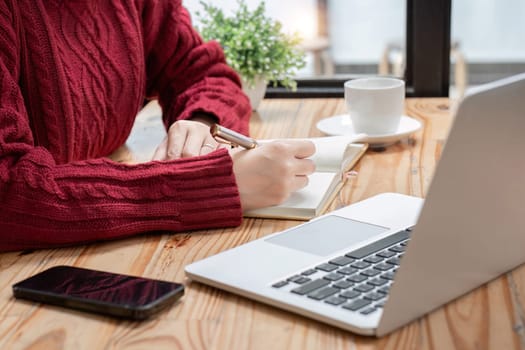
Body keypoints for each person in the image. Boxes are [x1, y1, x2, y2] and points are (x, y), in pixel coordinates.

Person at [0, 0, 315, 252]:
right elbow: (7, 191)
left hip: (93, 249)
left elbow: (203, 73)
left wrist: (203, 125)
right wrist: (204, 187)